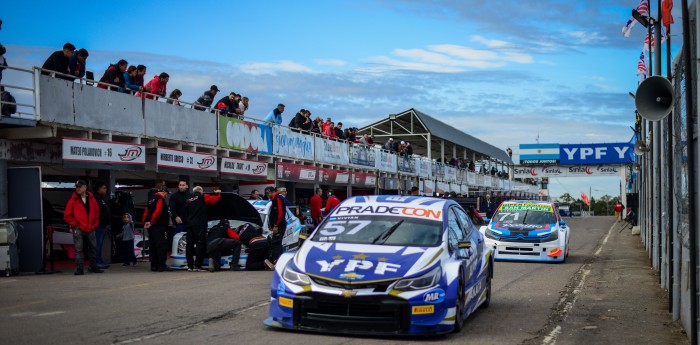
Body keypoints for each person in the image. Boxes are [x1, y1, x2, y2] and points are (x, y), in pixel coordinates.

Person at [63, 180, 103, 275]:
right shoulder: (73, 200)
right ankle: (80, 269)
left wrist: (94, 225)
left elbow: (97, 213)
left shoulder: (92, 199)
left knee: (93, 247)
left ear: (85, 187)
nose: (78, 188)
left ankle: (93, 267)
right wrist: (75, 225)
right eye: (77, 187)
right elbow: (67, 215)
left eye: (80, 187)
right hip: (78, 228)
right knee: (78, 249)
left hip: (90, 227)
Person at [185, 186, 221, 271]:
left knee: (189, 245)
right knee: (200, 244)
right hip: (200, 225)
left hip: (190, 224)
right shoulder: (203, 196)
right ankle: (198, 266)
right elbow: (215, 199)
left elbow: (186, 211)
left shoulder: (188, 199)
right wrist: (218, 193)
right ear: (201, 191)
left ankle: (190, 266)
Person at [142, 181, 170, 272]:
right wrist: (152, 221)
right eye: (166, 194)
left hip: (151, 227)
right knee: (161, 245)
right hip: (159, 226)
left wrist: (145, 222)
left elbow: (146, 211)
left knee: (152, 245)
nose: (166, 196)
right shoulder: (160, 199)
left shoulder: (151, 199)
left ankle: (153, 265)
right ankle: (161, 265)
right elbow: (157, 212)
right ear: (164, 192)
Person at [93, 181, 111, 269]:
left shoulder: (100, 198)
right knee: (98, 243)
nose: (106, 190)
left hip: (102, 224)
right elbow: (97, 212)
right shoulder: (96, 198)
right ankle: (97, 261)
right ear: (99, 188)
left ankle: (99, 260)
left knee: (99, 243)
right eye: (104, 188)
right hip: (99, 225)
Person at [267, 187, 287, 263]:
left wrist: (276, 225)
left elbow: (280, 213)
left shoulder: (277, 198)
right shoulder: (274, 199)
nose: (268, 195)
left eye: (268, 193)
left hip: (279, 225)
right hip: (278, 225)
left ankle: (276, 261)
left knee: (276, 243)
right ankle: (281, 260)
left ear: (270, 192)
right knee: (278, 243)